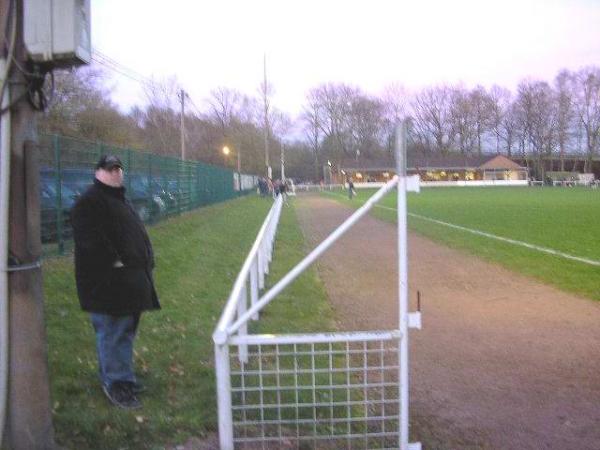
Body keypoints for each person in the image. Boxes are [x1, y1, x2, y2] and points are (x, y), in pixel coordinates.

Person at [71, 155, 160, 409]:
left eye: (119, 168)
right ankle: (117, 385)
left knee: (122, 333)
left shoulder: (120, 199)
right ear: (98, 172)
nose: (115, 173)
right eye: (110, 169)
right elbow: (89, 241)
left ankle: (119, 377)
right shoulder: (89, 202)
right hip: (109, 286)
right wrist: (117, 261)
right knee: (113, 332)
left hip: (130, 283)